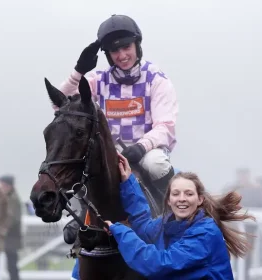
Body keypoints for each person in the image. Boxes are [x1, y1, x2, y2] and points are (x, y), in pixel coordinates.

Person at [59, 14, 178, 246]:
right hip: (109, 151)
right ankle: (81, 214)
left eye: (126, 47)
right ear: (108, 55)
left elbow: (166, 126)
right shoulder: (97, 80)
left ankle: (174, 217)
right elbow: (62, 105)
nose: (122, 56)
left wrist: (141, 147)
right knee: (85, 162)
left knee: (156, 164)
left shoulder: (157, 79)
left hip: (147, 150)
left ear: (137, 45)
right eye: (115, 51)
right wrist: (77, 72)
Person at [101, 153, 255, 279]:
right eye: (176, 193)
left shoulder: (205, 233)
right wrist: (128, 182)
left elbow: (159, 265)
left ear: (200, 199)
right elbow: (143, 226)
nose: (182, 198)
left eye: (189, 193)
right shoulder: (166, 224)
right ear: (168, 200)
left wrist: (120, 231)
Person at [0, 175, 23, 280]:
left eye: (2, 185)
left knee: (12, 266)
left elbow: (12, 219)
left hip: (11, 238)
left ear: (8, 186)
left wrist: (0, 229)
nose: (0, 187)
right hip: (8, 238)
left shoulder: (13, 199)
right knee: (10, 265)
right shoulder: (8, 197)